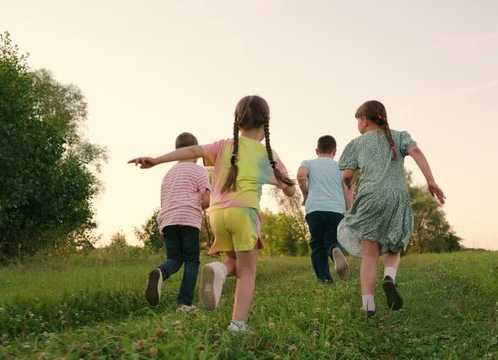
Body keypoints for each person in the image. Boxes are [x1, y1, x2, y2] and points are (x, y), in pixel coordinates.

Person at [129, 95, 295, 332]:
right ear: (266, 122)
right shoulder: (267, 155)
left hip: (218, 215)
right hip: (244, 213)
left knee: (233, 263)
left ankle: (220, 269)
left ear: (237, 123)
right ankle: (237, 325)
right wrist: (293, 184)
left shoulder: (224, 146)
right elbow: (289, 190)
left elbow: (193, 150)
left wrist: (157, 160)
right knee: (247, 271)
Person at [337, 100, 445, 316]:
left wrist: (349, 186)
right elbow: (415, 150)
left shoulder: (357, 143)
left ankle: (368, 304)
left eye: (358, 120)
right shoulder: (399, 136)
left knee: (369, 254)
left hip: (369, 198)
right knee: (395, 244)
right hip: (397, 197)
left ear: (364, 121)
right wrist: (430, 181)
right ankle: (389, 277)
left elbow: (347, 175)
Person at [144, 132, 211, 311]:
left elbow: (164, 200)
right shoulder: (199, 170)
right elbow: (206, 201)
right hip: (188, 219)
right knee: (191, 260)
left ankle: (160, 272)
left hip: (167, 220)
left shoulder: (169, 174)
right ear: (195, 152)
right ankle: (184, 303)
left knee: (174, 258)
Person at [297, 135, 351, 283]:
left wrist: (305, 193)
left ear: (316, 150)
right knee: (331, 240)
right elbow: (347, 189)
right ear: (335, 151)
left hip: (314, 208)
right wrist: (349, 212)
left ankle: (325, 279)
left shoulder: (308, 163)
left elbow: (301, 175)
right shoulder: (341, 167)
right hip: (336, 209)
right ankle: (334, 249)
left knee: (317, 244)